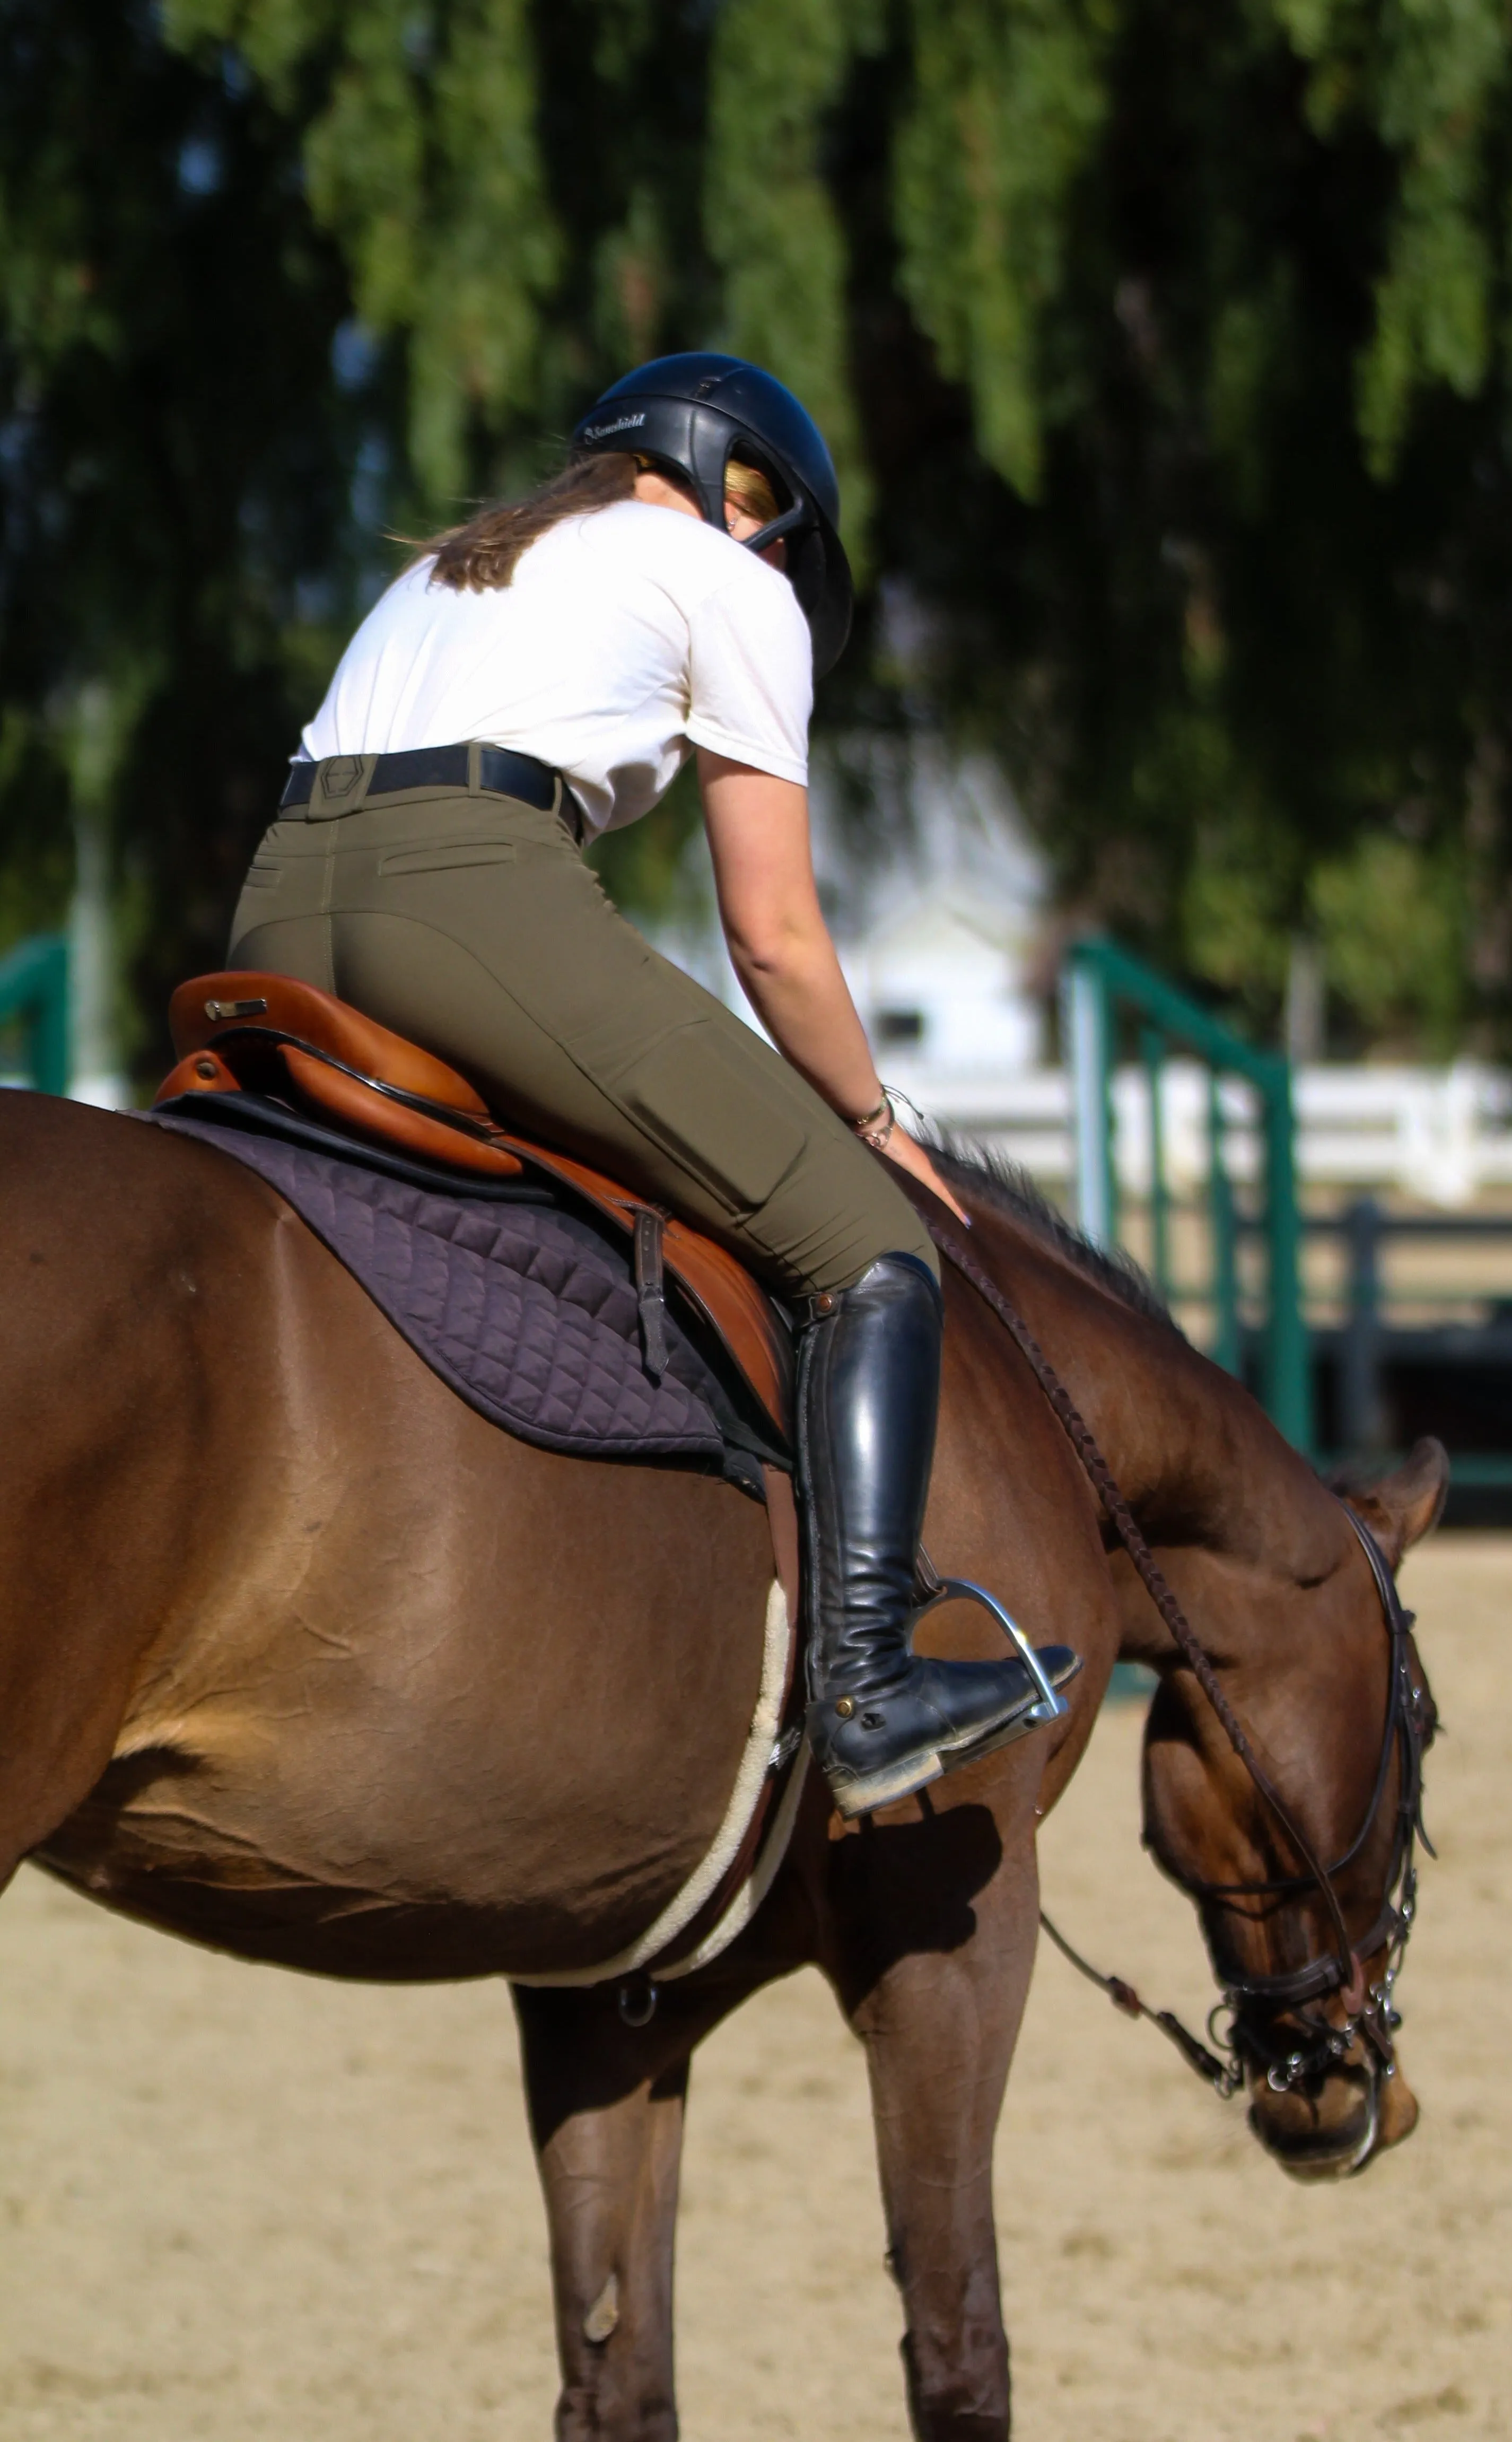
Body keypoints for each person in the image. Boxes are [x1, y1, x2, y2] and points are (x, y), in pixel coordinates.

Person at [228, 352, 1074, 1818]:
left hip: (276, 901)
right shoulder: (725, 578)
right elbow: (776, 937)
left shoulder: (462, 558)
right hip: (470, 895)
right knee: (869, 1251)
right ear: (738, 492)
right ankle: (869, 1683)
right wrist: (874, 1123)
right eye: (770, 524)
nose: (767, 554)